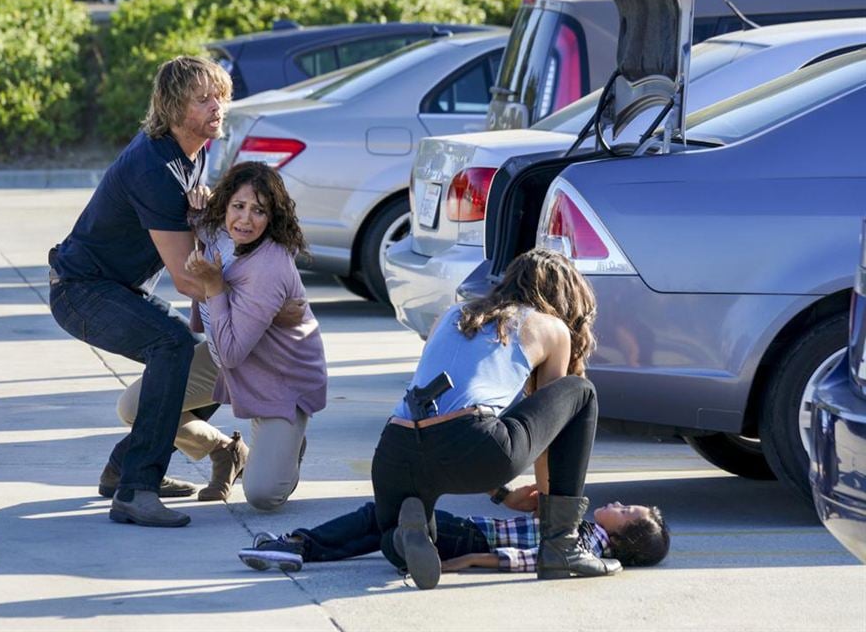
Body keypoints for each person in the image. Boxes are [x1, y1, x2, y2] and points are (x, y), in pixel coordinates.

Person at [49, 55, 232, 528]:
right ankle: (135, 490)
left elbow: (194, 237)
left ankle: (121, 469)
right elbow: (189, 277)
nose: (218, 107)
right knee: (172, 346)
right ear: (174, 108)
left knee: (203, 358)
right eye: (203, 98)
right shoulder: (155, 167)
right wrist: (257, 303)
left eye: (220, 96)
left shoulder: (195, 152)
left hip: (112, 287)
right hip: (81, 290)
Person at [371, 248, 616, 589]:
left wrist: (503, 495)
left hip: (395, 450)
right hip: (475, 444)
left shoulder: (452, 314)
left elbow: (445, 417)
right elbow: (549, 436)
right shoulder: (551, 327)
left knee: (399, 535)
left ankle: (401, 540)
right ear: (565, 298)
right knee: (580, 391)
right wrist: (549, 513)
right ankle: (563, 546)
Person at [171, 161, 327, 511]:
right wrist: (197, 206)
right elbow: (199, 221)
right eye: (238, 206)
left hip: (277, 375)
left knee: (262, 495)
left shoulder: (269, 267)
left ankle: (287, 445)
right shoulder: (218, 231)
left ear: (272, 218)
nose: (245, 219)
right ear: (225, 204)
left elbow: (231, 354)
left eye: (259, 211)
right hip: (226, 353)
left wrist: (214, 286)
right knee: (137, 407)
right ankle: (227, 452)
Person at [237, 497, 669, 573]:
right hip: (468, 535)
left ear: (624, 536)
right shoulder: (587, 532)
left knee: (379, 514)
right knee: (386, 531)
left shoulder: (583, 541)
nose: (616, 505)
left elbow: (516, 560)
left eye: (625, 510)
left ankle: (298, 545)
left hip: (469, 537)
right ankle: (296, 551)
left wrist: (448, 566)